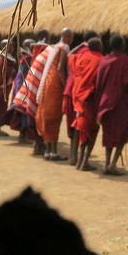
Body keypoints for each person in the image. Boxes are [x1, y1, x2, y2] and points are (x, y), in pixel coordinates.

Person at [93, 33, 128, 176]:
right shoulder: (125, 60)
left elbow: (99, 83)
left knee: (109, 134)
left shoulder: (104, 61)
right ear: (122, 45)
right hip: (120, 102)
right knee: (123, 132)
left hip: (105, 103)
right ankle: (113, 163)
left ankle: (106, 163)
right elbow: (127, 81)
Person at [34, 28, 74, 161]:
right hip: (55, 85)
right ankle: (53, 152)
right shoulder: (64, 48)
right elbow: (60, 68)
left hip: (48, 84)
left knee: (48, 116)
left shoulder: (53, 47)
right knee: (55, 118)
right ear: (68, 37)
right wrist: (66, 86)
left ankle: (49, 151)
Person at [62, 29, 98, 164]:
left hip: (70, 91)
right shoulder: (91, 54)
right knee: (79, 125)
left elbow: (69, 57)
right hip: (79, 94)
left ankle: (73, 156)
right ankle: (75, 158)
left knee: (74, 126)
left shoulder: (78, 51)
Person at [71, 36, 105, 171]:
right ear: (99, 47)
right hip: (93, 100)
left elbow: (69, 56)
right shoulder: (102, 60)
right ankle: (85, 161)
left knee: (82, 128)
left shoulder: (80, 58)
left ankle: (79, 160)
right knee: (93, 130)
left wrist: (80, 46)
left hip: (79, 100)